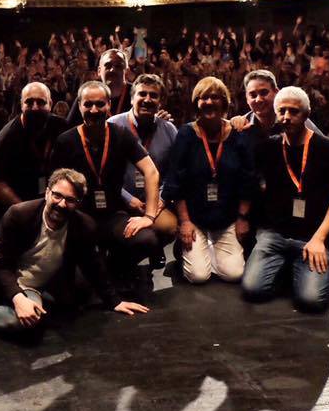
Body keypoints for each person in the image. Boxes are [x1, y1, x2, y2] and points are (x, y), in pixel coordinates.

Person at [0, 169, 149, 371]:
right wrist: (16, 297)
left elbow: (93, 264)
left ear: (78, 203)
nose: (61, 204)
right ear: (47, 193)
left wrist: (114, 301)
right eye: (57, 195)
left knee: (29, 323)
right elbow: (2, 263)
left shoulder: (83, 226)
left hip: (32, 288)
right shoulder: (20, 213)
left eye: (70, 200)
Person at [51, 81, 162, 296]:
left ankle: (116, 266)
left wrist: (149, 215)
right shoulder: (66, 141)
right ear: (80, 106)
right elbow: (54, 184)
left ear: (109, 105)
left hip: (113, 214)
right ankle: (98, 267)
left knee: (147, 239)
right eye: (88, 104)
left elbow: (152, 172)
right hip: (79, 218)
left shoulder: (121, 135)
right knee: (76, 292)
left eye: (100, 104)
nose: (94, 110)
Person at [242, 87, 329, 311]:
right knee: (253, 290)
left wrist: (320, 239)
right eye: (282, 111)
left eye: (294, 111)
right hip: (276, 234)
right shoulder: (268, 147)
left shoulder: (327, 147)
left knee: (311, 301)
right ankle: (291, 266)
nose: (287, 116)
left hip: (312, 235)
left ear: (307, 114)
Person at [165, 77, 254, 284]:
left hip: (227, 217)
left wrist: (242, 218)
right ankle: (188, 251)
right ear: (196, 102)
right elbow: (176, 181)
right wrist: (185, 221)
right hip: (194, 217)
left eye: (215, 97)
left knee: (234, 274)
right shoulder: (185, 134)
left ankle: (209, 251)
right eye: (203, 97)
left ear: (224, 102)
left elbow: (247, 179)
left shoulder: (238, 134)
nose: (209, 102)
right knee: (198, 276)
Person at [107, 74, 179, 269]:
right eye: (142, 94)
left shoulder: (170, 130)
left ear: (161, 101)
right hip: (121, 200)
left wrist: (160, 200)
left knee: (171, 227)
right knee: (130, 234)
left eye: (153, 95)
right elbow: (105, 173)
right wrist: (128, 199)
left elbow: (175, 172)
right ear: (132, 98)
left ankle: (151, 249)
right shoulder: (113, 126)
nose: (147, 99)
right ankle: (122, 263)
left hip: (154, 202)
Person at [0, 82, 69, 222]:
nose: (35, 107)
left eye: (41, 102)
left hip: (49, 199)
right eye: (29, 102)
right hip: (15, 202)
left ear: (50, 104)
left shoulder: (61, 126)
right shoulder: (7, 137)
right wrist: (25, 209)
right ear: (21, 105)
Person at [67, 48, 131, 125]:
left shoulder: (137, 94)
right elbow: (70, 129)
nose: (112, 70)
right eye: (108, 65)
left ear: (127, 71)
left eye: (118, 66)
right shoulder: (87, 95)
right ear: (99, 71)